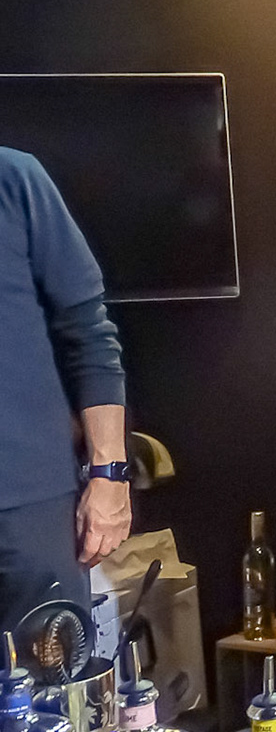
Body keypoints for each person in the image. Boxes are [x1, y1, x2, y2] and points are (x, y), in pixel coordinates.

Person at [0, 147, 131, 634]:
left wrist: (110, 475)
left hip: (28, 515)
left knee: (52, 678)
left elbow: (89, 333)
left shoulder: (14, 178)